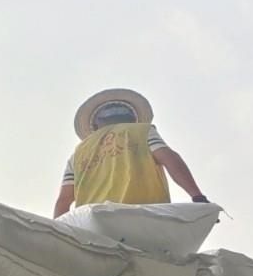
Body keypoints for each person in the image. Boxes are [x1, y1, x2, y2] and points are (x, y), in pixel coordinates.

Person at [53, 88, 207, 217]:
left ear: (96, 122)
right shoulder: (142, 131)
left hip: (93, 222)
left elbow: (64, 200)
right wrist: (197, 196)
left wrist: (59, 237)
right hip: (144, 215)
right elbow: (170, 159)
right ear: (132, 117)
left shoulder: (79, 153)